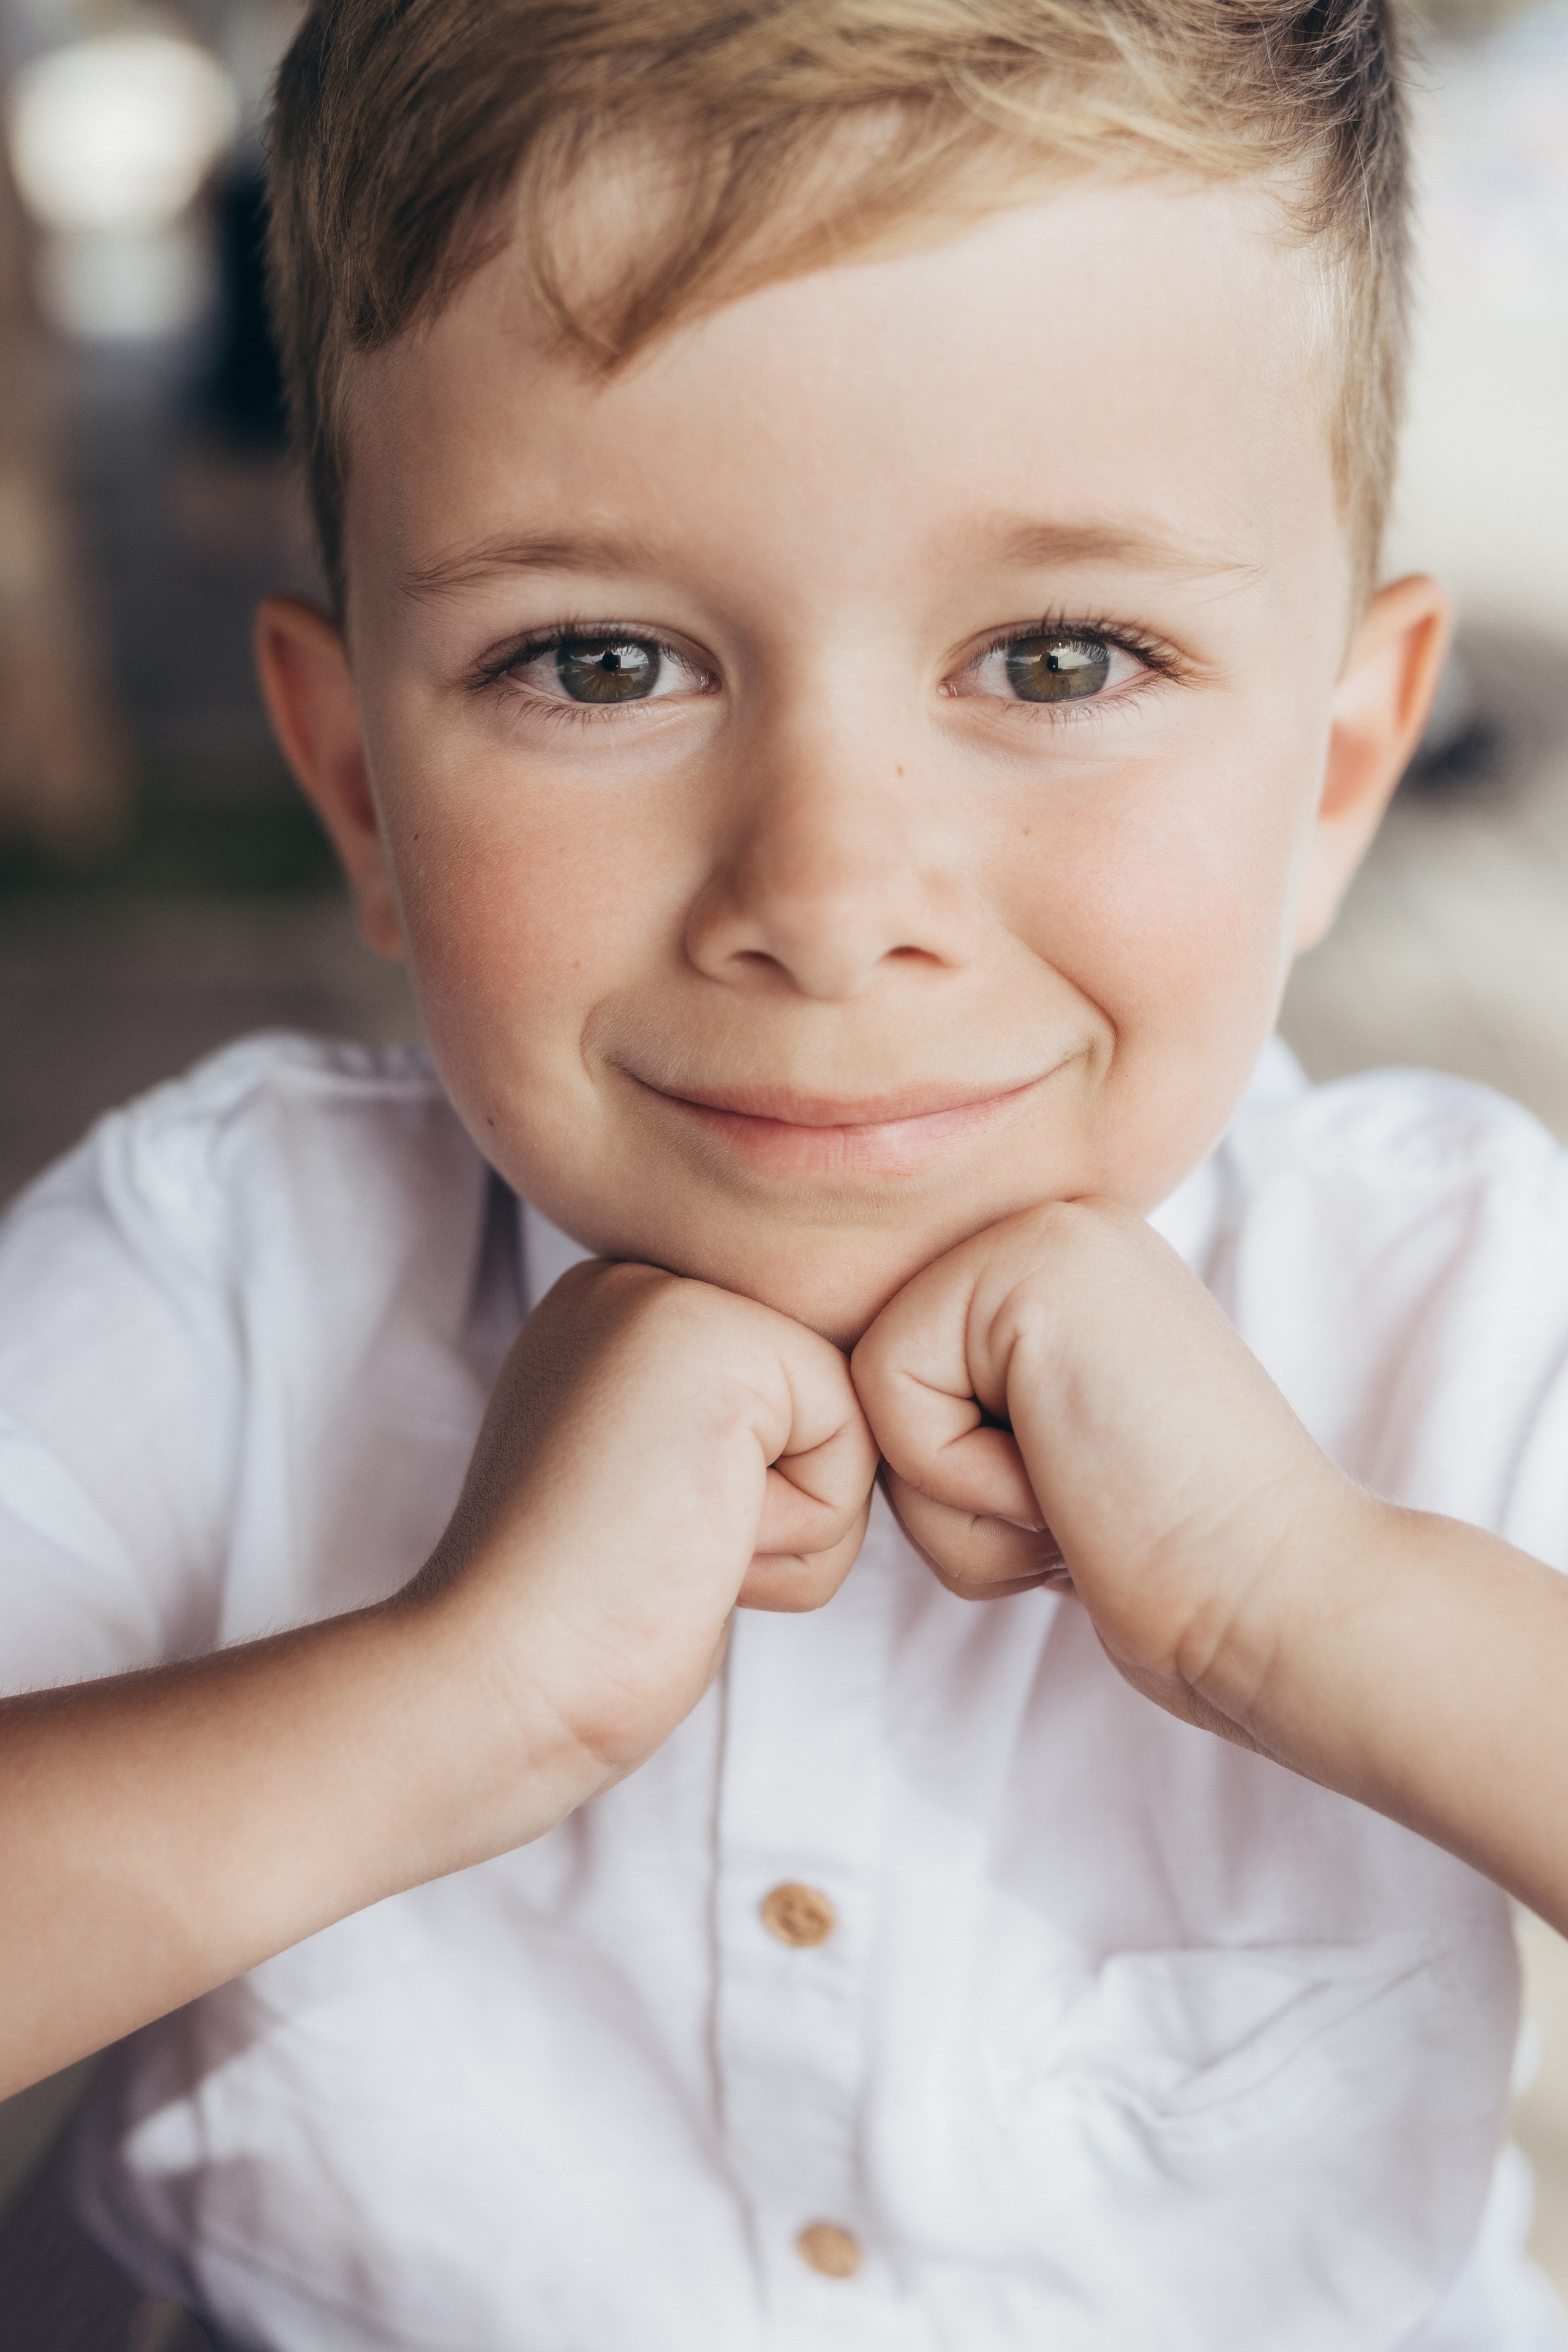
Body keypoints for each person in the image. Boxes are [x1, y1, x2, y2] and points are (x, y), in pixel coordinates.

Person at [4, 0, 1568, 2342]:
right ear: (356, 787)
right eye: (602, 663)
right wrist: (453, 1702)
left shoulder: (1459, 1283)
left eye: (1055, 660)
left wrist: (1297, 1597)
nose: (830, 900)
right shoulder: (222, 1266)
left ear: (1338, 772)